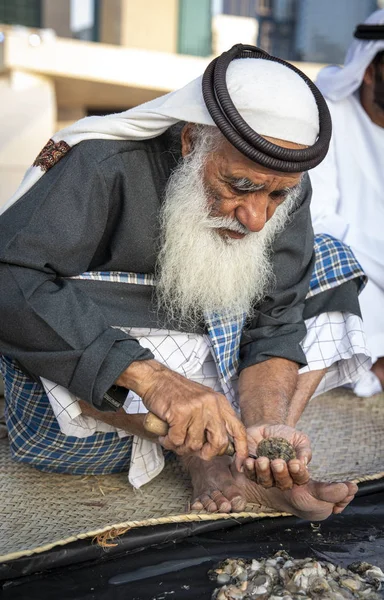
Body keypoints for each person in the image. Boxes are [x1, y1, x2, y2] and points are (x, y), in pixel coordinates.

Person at [0, 45, 370, 521]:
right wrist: (155, 380)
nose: (257, 219)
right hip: (115, 384)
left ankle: (246, 464)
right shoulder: (103, 164)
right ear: (192, 142)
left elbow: (276, 318)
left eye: (278, 194)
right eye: (240, 186)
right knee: (41, 317)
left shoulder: (285, 185)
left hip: (216, 358)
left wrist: (268, 434)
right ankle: (199, 453)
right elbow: (10, 277)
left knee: (333, 262)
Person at [310, 9, 384, 397]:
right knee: (333, 267)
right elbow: (319, 221)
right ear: (369, 70)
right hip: (349, 269)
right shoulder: (327, 113)